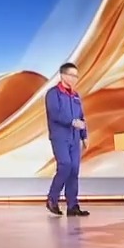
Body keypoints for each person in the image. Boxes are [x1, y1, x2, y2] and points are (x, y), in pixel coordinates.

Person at [45, 62, 89, 216]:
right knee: (65, 165)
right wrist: (71, 122)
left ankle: (72, 205)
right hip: (60, 136)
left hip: (74, 137)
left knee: (74, 169)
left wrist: (84, 135)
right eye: (71, 75)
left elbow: (81, 117)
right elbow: (55, 113)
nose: (74, 79)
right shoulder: (53, 94)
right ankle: (52, 199)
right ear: (63, 75)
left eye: (76, 76)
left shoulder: (75, 95)